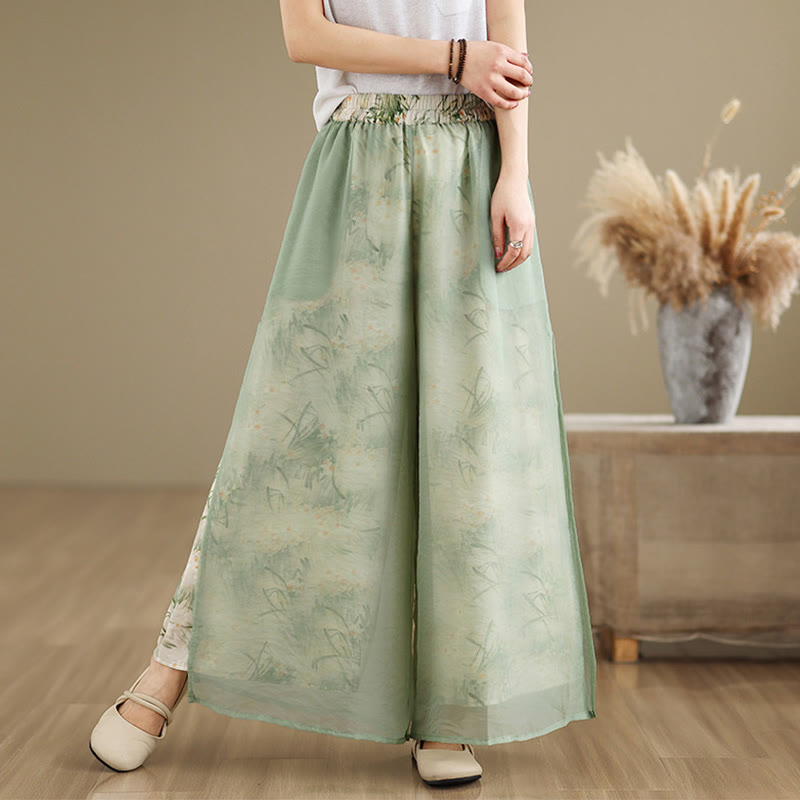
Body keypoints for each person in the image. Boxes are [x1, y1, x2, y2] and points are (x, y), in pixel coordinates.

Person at [90, 0, 597, 787]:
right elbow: (307, 37)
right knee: (293, 445)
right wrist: (455, 59)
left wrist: (516, 177)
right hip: (360, 171)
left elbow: (511, 54)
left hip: (471, 174)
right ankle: (166, 672)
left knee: (464, 449)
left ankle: (448, 714)